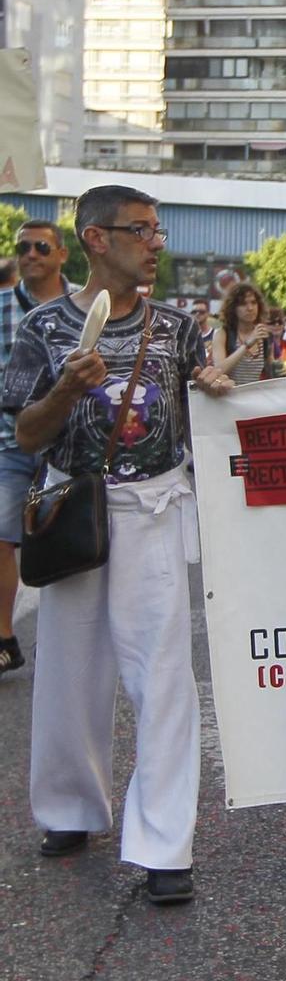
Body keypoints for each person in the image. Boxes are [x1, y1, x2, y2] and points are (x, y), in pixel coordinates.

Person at [0, 185, 235, 905]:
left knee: (162, 676)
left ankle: (166, 844)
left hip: (153, 508)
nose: (156, 243)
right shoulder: (42, 327)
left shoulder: (177, 326)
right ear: (98, 239)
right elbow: (27, 433)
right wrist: (68, 390)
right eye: (142, 230)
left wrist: (216, 386)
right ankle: (71, 807)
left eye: (158, 231)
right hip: (74, 506)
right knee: (70, 669)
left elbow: (202, 415)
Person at [1, 219, 81, 675]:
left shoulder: (84, 307)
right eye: (23, 248)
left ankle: (69, 638)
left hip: (68, 444)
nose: (31, 254)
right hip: (9, 441)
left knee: (68, 544)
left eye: (41, 247)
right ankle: (4, 637)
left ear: (61, 254)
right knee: (1, 537)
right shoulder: (1, 306)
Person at [211, 281, 275, 386]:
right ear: (233, 308)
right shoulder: (223, 333)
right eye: (243, 304)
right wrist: (247, 345)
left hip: (255, 397)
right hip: (230, 395)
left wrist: (279, 369)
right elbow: (219, 370)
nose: (250, 308)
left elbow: (270, 369)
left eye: (254, 302)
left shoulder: (263, 334)